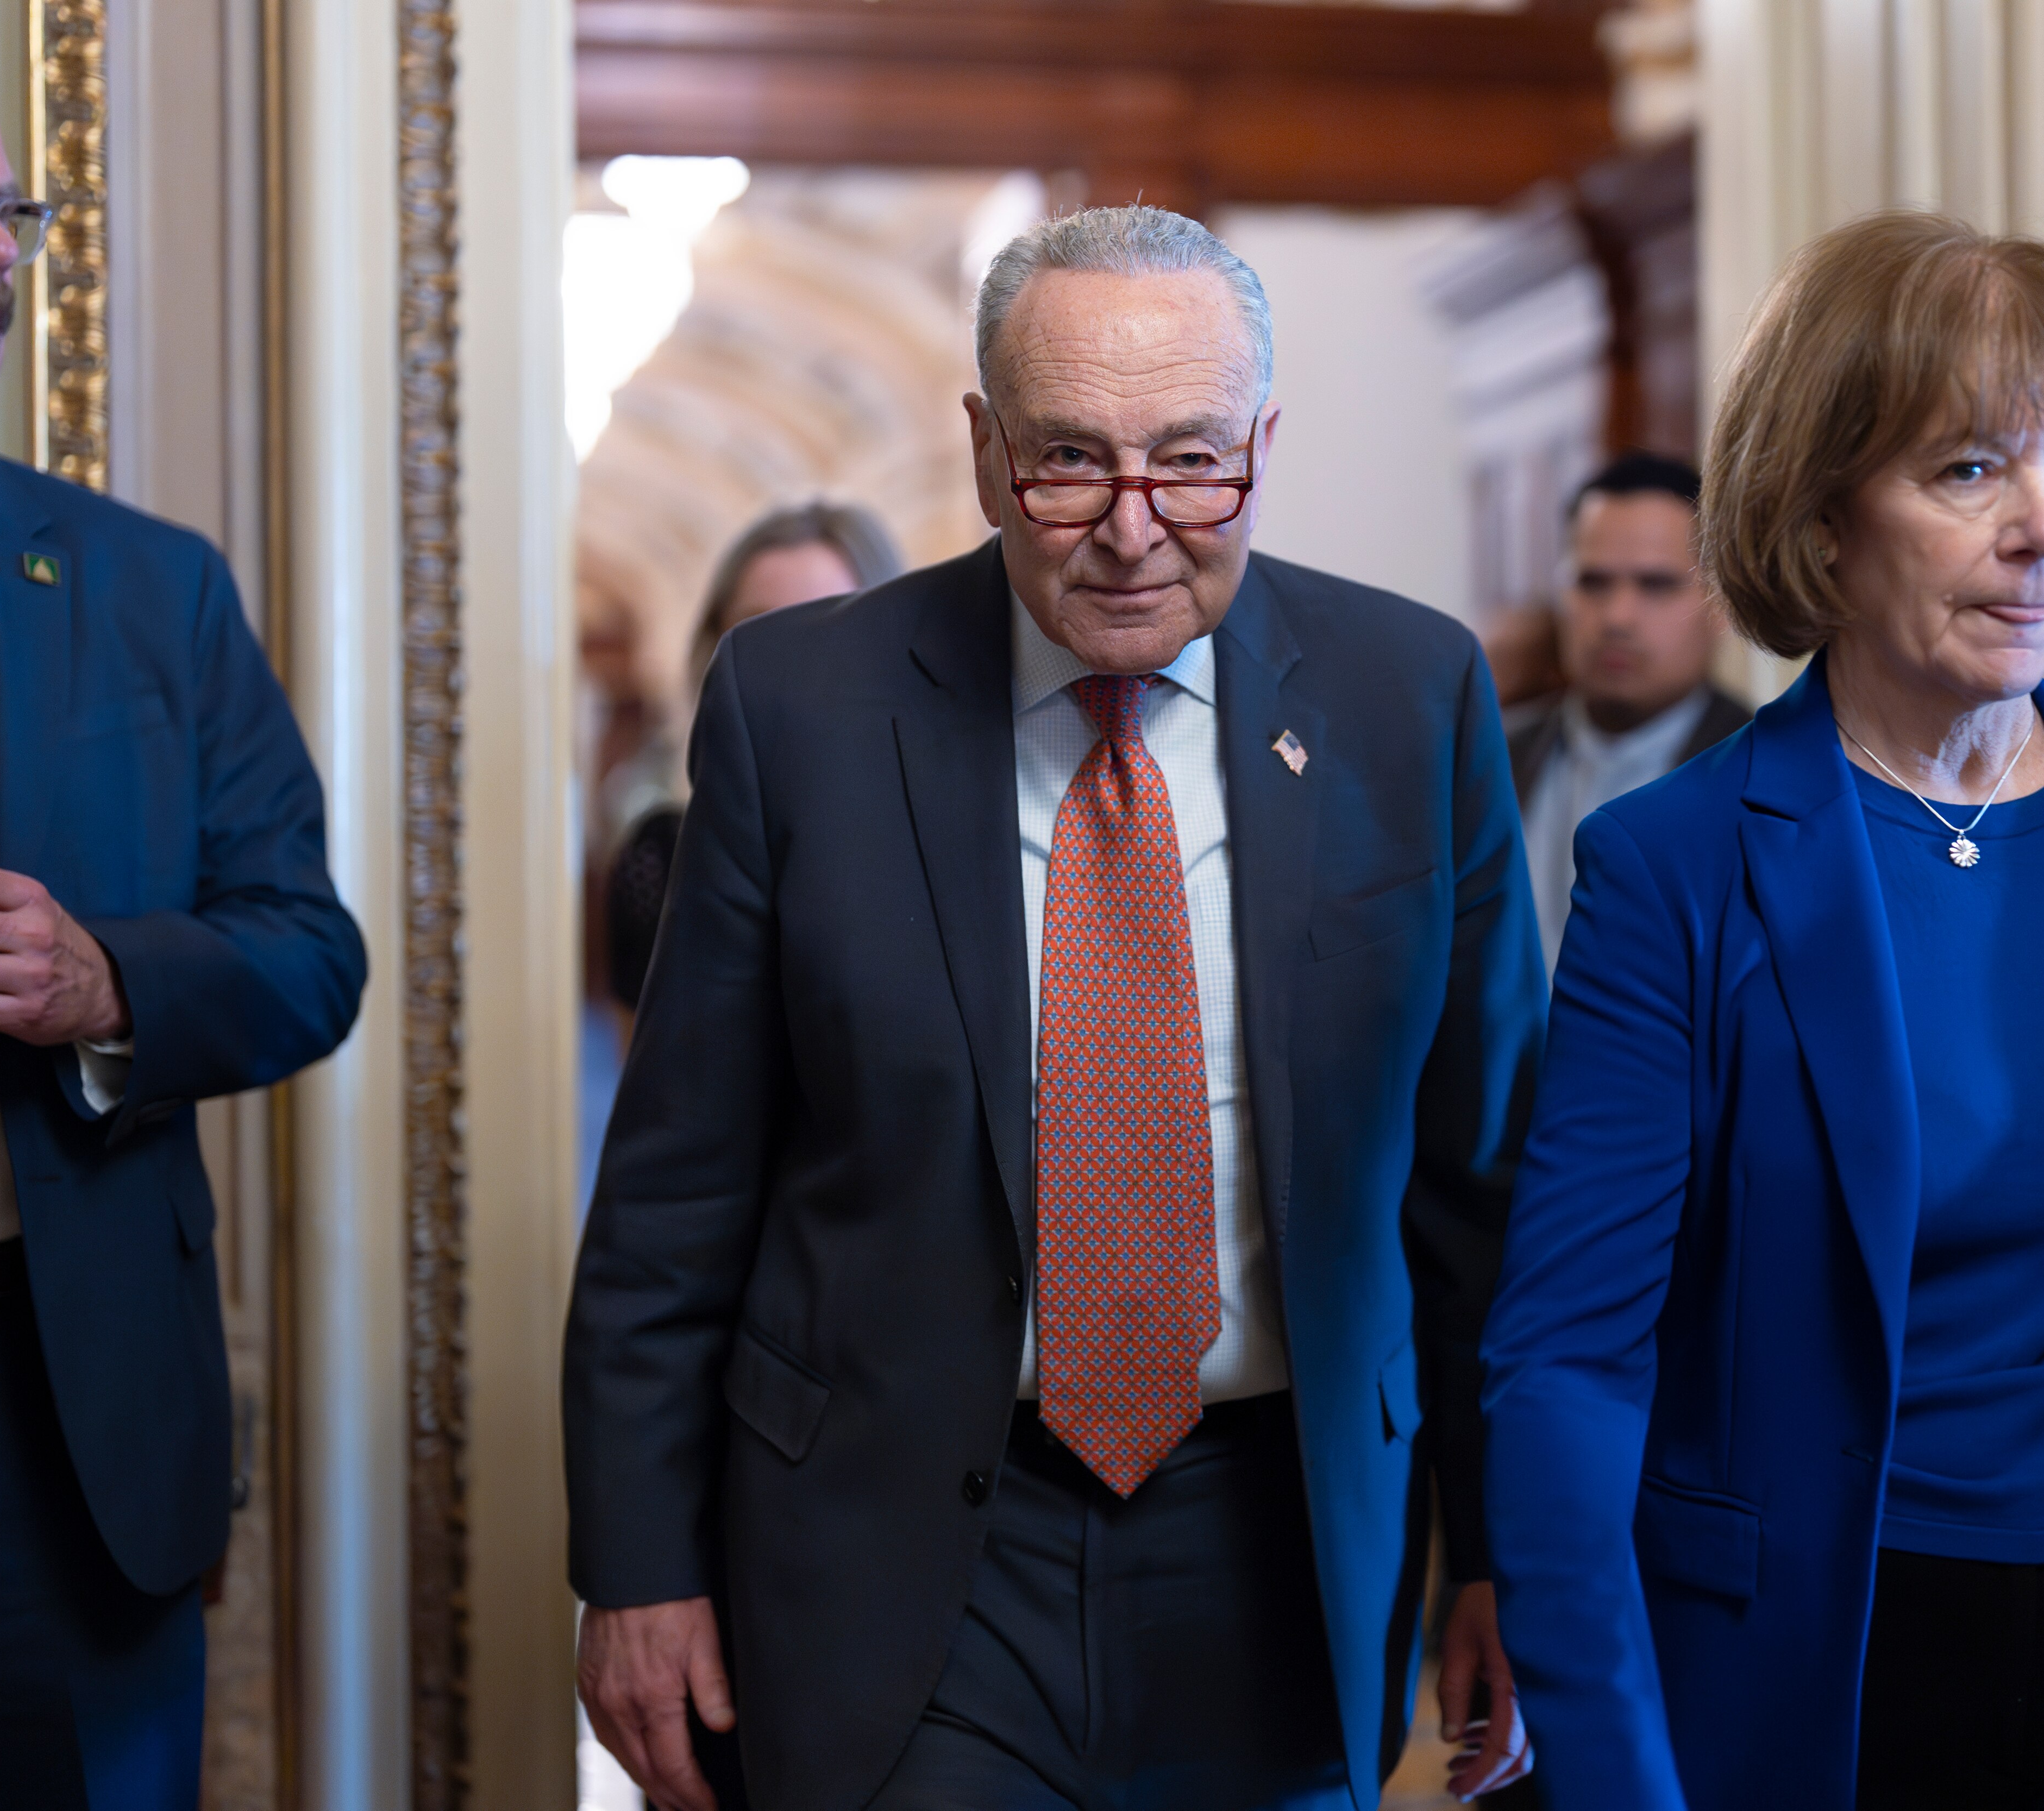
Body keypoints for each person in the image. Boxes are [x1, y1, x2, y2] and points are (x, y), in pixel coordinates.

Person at [564, 205, 1543, 1811]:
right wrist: (638, 1563)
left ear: (1263, 446)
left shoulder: (1405, 700)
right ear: (979, 447)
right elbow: (680, 1189)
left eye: (1190, 460)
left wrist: (1509, 1551)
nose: (1132, 526)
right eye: (1069, 460)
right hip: (904, 1541)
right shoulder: (804, 708)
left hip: (1279, 1537)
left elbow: (1479, 1188)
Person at [1478, 210, 2044, 1810]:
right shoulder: (1675, 863)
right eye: (1969, 469)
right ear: (1822, 518)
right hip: (1821, 1675)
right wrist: (1613, 1774)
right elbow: (1567, 1362)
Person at [0, 9, 365, 1804]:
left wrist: (99, 986)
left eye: (14, 209)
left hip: (38, 1421)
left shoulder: (149, 591)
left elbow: (312, 953)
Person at [601, 501, 901, 1008]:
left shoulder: (938, 856)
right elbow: (652, 1075)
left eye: (829, 630)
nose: (789, 670)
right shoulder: (662, 864)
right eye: (757, 637)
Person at [1504, 451, 1748, 967]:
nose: (1617, 617)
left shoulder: (1773, 779)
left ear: (1721, 603)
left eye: (1655, 585)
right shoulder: (1488, 758)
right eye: (1593, 583)